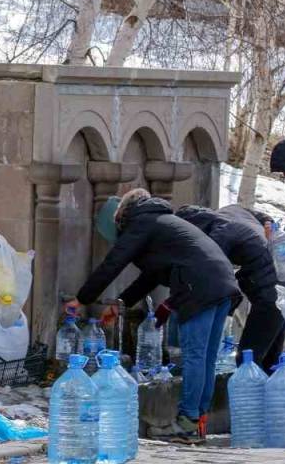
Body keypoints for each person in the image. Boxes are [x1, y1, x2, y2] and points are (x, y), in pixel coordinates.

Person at [64, 189, 241, 443]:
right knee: (206, 357)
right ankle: (197, 420)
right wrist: (120, 303)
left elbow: (113, 263)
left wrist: (82, 298)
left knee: (195, 355)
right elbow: (150, 276)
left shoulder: (140, 222)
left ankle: (187, 423)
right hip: (222, 283)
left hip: (199, 286)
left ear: (120, 220)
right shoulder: (162, 224)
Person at [174, 204, 285, 370]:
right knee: (270, 362)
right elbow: (261, 216)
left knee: (247, 361)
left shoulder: (219, 234)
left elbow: (215, 273)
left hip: (268, 298)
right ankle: (272, 395)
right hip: (283, 292)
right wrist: (268, 224)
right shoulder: (233, 210)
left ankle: (252, 395)